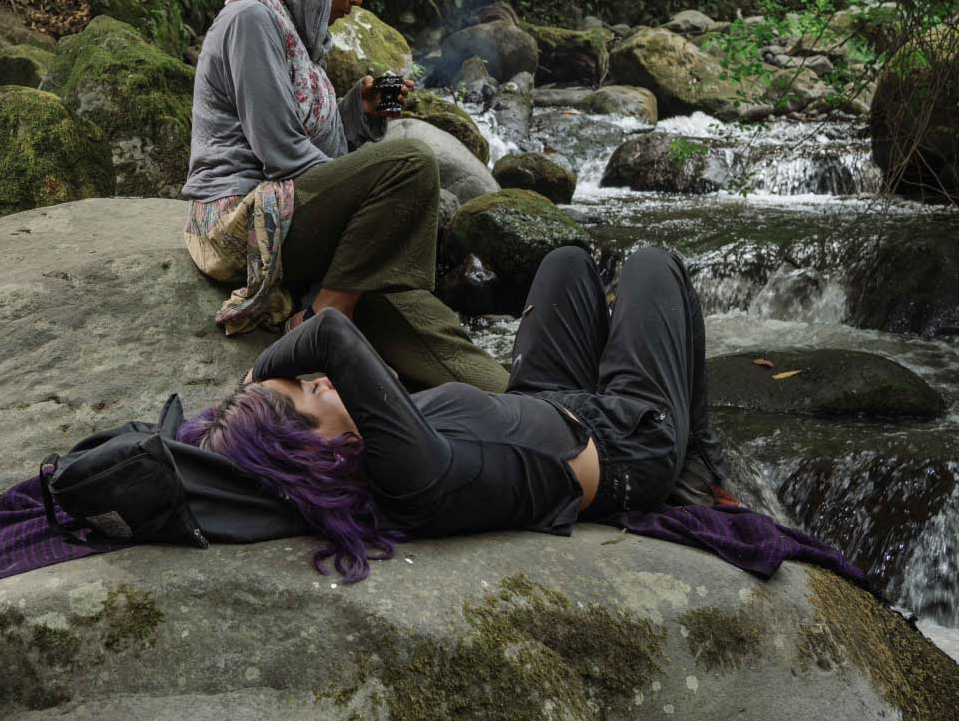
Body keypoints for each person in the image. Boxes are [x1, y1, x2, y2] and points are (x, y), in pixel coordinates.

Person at [180, 243, 734, 581]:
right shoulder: (410, 479)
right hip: (629, 442)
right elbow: (329, 332)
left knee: (565, 263)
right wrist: (259, 373)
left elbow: (183, 449)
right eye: (311, 393)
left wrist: (247, 397)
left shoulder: (380, 448)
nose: (324, 380)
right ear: (321, 448)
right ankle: (698, 463)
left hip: (544, 401)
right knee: (651, 265)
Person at [182, 0, 506, 391]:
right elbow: (282, 153)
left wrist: (360, 110)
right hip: (239, 220)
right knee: (412, 163)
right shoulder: (250, 20)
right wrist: (369, 190)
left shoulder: (293, 36)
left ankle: (517, 400)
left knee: (426, 320)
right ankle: (322, 320)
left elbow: (310, 144)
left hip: (292, 216)